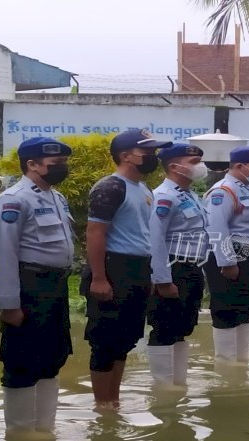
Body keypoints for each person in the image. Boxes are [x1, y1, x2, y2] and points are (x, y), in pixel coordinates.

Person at [0, 137, 75, 433]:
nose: (61, 168)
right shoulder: (14, 200)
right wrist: (9, 304)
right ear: (32, 164)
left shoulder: (56, 197)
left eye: (63, 163)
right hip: (29, 286)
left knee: (53, 357)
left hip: (55, 287)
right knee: (22, 362)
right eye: (55, 164)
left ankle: (45, 429)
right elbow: (5, 253)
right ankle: (20, 433)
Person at [81, 129, 172, 406]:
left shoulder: (143, 189)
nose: (153, 157)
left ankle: (114, 400)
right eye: (147, 152)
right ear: (125, 156)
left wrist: (152, 274)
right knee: (105, 341)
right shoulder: (111, 186)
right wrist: (99, 278)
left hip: (137, 269)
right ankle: (102, 405)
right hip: (113, 267)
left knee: (125, 340)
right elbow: (96, 232)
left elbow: (145, 234)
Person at [203, 146, 249, 364]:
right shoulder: (223, 191)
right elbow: (216, 228)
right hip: (233, 257)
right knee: (226, 310)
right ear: (238, 166)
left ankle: (240, 360)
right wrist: (227, 262)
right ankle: (225, 364)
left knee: (245, 308)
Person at [146, 143, 209, 387]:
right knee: (164, 327)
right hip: (173, 270)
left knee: (183, 327)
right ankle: (162, 388)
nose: (200, 167)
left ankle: (179, 383)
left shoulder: (190, 195)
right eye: (193, 162)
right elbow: (155, 240)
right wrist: (162, 279)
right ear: (174, 166)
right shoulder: (163, 197)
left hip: (192, 269)